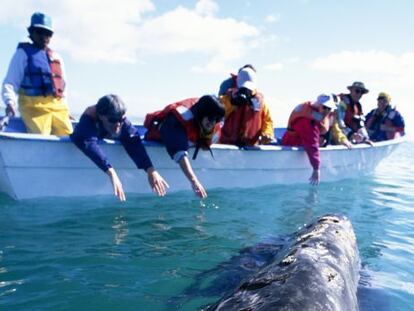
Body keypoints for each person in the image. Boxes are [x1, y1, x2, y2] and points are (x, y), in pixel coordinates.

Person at [71, 94, 169, 201]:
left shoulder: (122, 122)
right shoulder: (89, 118)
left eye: (120, 120)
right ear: (100, 115)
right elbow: (87, 142)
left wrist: (151, 170)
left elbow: (134, 143)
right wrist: (111, 172)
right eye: (112, 120)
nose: (118, 124)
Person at [1, 12, 72, 136]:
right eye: (39, 32)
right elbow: (10, 83)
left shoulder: (57, 58)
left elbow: (63, 88)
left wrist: (66, 109)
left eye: (48, 33)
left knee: (68, 134)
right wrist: (10, 103)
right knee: (41, 134)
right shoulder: (22, 54)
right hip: (32, 106)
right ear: (31, 33)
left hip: (57, 106)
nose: (44, 36)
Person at [144, 95, 225, 199]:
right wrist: (194, 181)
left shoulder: (210, 125)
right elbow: (180, 153)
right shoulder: (178, 120)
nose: (213, 122)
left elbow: (207, 142)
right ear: (201, 113)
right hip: (159, 139)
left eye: (216, 119)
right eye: (211, 118)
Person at [281, 94, 337, 185]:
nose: (326, 111)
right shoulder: (307, 120)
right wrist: (316, 168)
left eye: (329, 108)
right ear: (318, 105)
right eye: (325, 107)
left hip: (298, 143)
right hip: (291, 144)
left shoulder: (316, 114)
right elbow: (312, 144)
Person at [218, 66, 274, 146]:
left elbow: (267, 121)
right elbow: (216, 117)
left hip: (251, 148)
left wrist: (267, 133)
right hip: (227, 145)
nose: (246, 91)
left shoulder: (260, 102)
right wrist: (232, 103)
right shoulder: (227, 98)